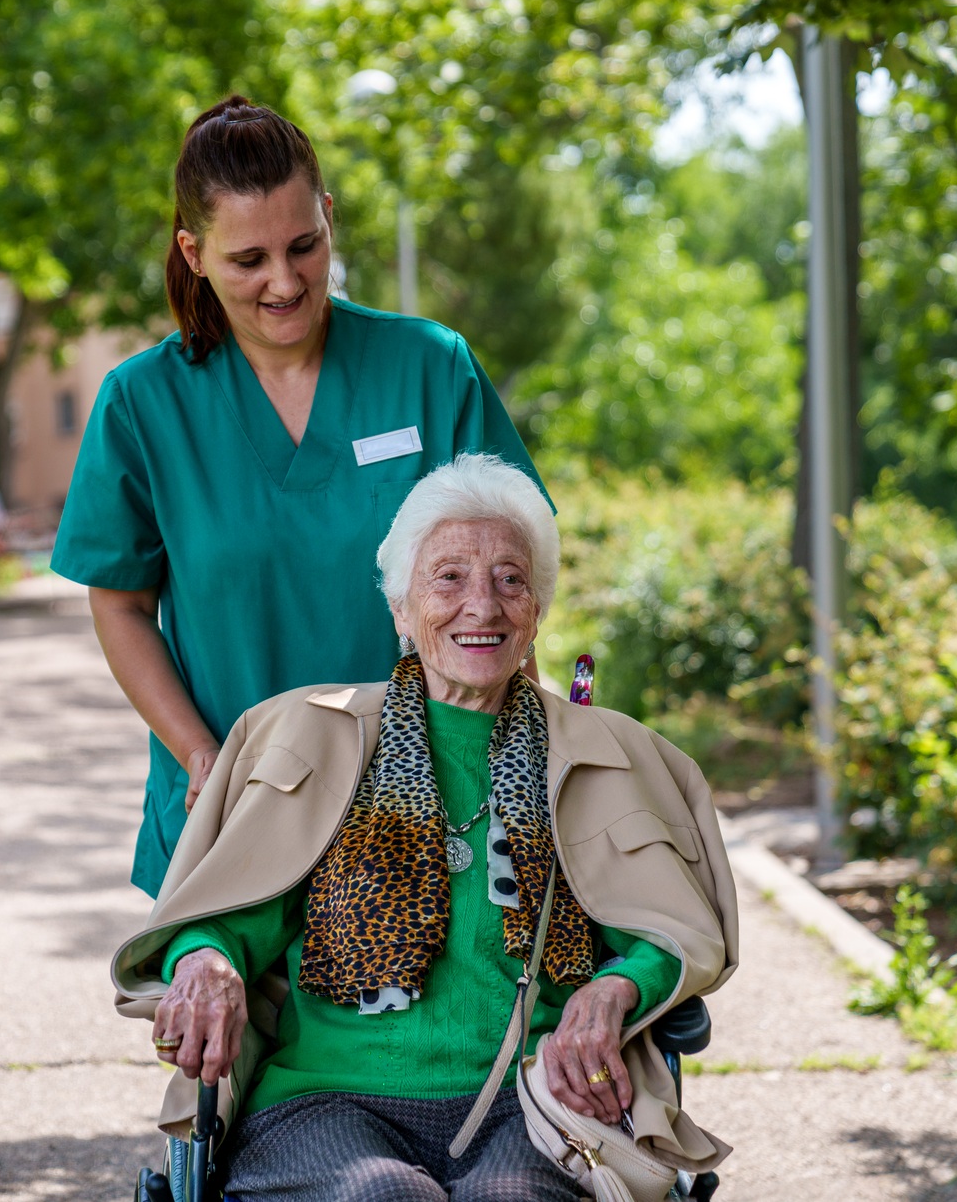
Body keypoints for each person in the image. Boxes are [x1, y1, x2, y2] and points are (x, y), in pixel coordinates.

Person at [111, 455, 736, 1202]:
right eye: (449, 578)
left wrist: (615, 988)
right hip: (326, 1097)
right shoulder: (312, 736)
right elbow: (224, 916)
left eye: (511, 578)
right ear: (401, 608)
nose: (483, 604)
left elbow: (672, 930)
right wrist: (205, 961)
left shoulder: (605, 751)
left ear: (537, 609)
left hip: (535, 1099)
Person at [51, 96, 546, 898]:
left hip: (429, 819)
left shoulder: (428, 367)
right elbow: (120, 607)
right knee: (224, 1022)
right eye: (248, 260)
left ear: (327, 217)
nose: (284, 281)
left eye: (304, 246)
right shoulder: (142, 404)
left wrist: (517, 764)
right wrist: (198, 755)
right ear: (195, 251)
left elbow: (513, 575)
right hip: (235, 816)